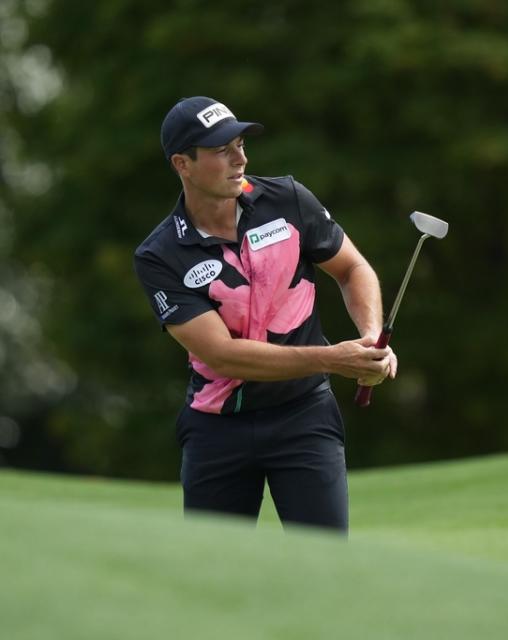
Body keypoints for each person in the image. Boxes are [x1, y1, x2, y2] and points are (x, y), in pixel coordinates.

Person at [133, 96, 396, 533]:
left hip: (304, 414)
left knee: (324, 565)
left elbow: (352, 268)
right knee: (216, 577)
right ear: (183, 164)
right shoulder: (160, 255)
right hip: (217, 430)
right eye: (221, 150)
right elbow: (222, 356)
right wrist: (336, 358)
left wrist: (369, 340)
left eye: (239, 144)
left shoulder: (288, 199)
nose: (241, 158)